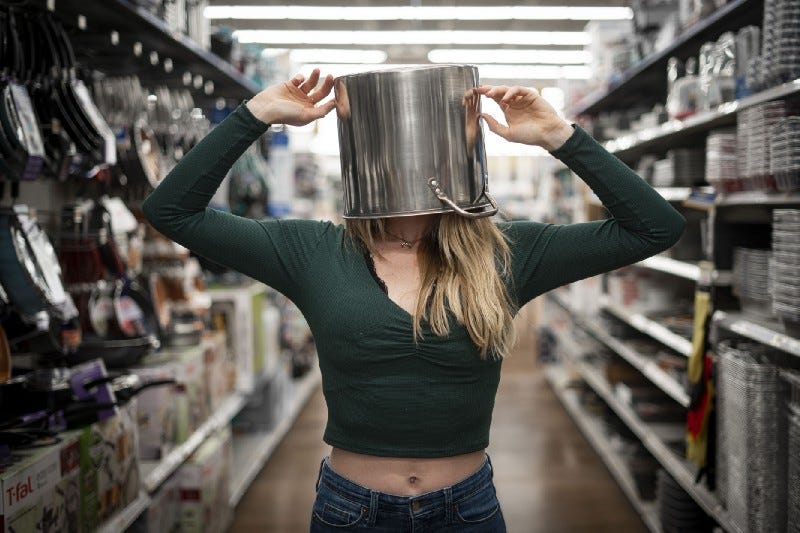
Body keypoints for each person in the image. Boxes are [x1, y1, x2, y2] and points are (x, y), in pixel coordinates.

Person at [142, 68, 685, 532]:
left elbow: (654, 228)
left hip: (467, 508)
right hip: (350, 509)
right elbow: (172, 211)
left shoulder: (509, 253)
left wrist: (561, 136)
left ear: (469, 139)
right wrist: (255, 115)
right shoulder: (312, 250)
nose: (411, 147)